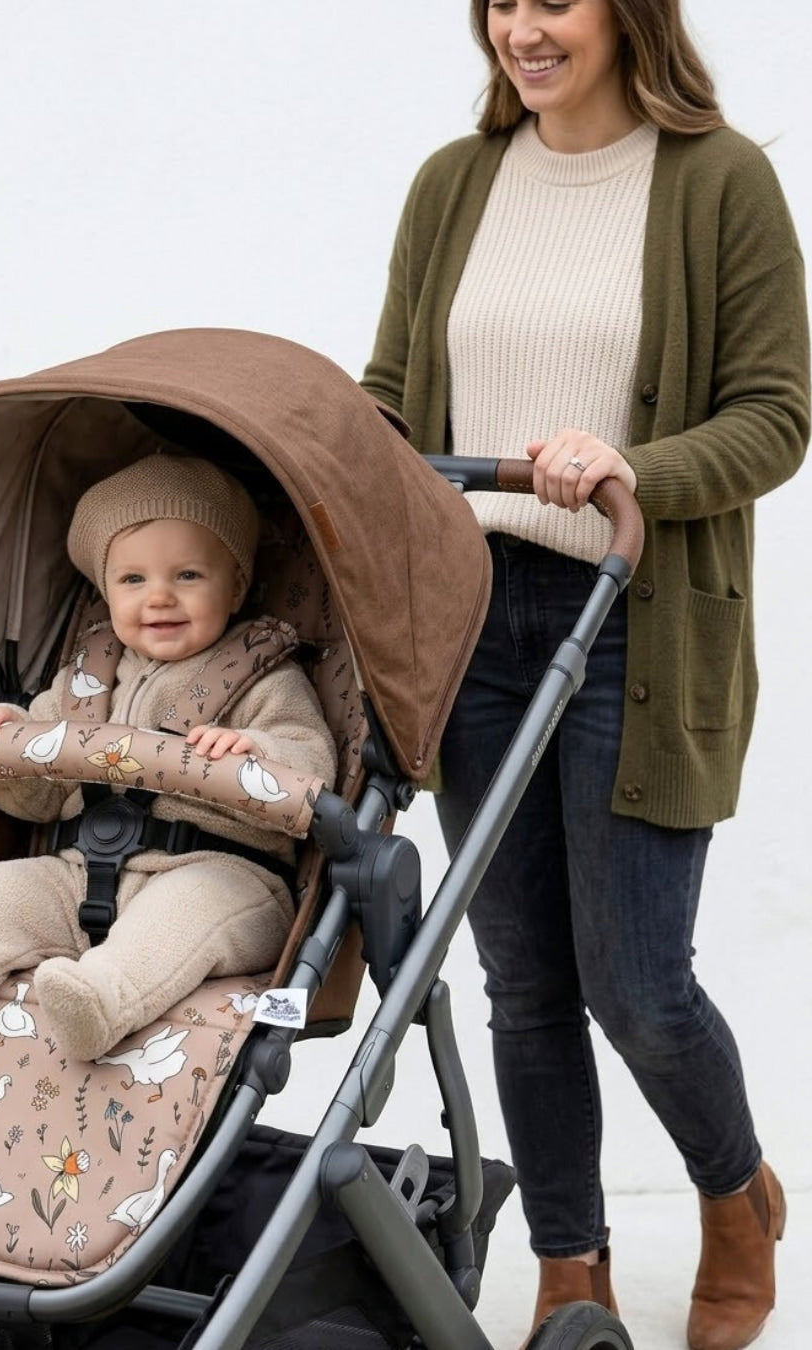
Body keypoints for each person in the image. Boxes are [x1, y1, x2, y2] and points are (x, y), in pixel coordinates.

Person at [361, 2, 808, 1347]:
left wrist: (633, 467)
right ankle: (571, 1260)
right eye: (501, 1)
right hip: (474, 615)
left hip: (635, 615)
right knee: (525, 981)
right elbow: (393, 392)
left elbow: (777, 412)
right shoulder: (455, 181)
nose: (522, 28)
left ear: (629, 13)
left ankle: (736, 1195)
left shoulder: (718, 179)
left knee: (637, 978)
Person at [0, 454, 337, 1064]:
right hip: (77, 870)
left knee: (181, 917)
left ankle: (103, 999)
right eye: (133, 580)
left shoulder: (265, 679)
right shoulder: (82, 683)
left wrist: (257, 751)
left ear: (235, 586)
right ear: (106, 591)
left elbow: (313, 757)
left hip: (221, 872)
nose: (159, 596)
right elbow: (41, 797)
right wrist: (8, 739)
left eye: (187, 575)